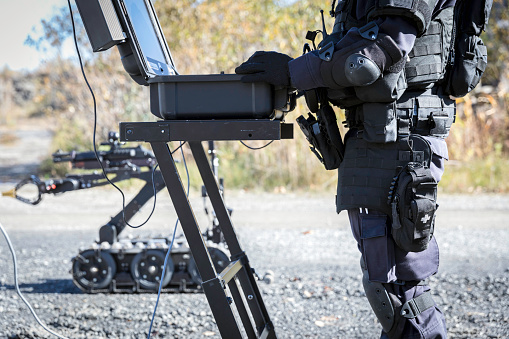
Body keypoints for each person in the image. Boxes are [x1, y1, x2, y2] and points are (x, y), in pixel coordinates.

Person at [235, 0, 460, 337]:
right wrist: (297, 68)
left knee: (399, 289)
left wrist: (295, 72)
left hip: (397, 141)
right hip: (377, 138)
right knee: (388, 281)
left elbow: (373, 55)